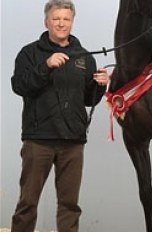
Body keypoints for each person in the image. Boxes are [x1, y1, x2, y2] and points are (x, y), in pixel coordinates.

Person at [10, 0, 109, 232]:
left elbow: (88, 100)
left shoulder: (84, 57)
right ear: (47, 22)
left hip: (73, 142)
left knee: (69, 205)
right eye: (56, 19)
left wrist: (100, 86)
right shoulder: (29, 53)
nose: (61, 23)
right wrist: (46, 65)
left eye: (66, 19)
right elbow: (20, 86)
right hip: (38, 140)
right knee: (27, 203)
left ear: (72, 22)